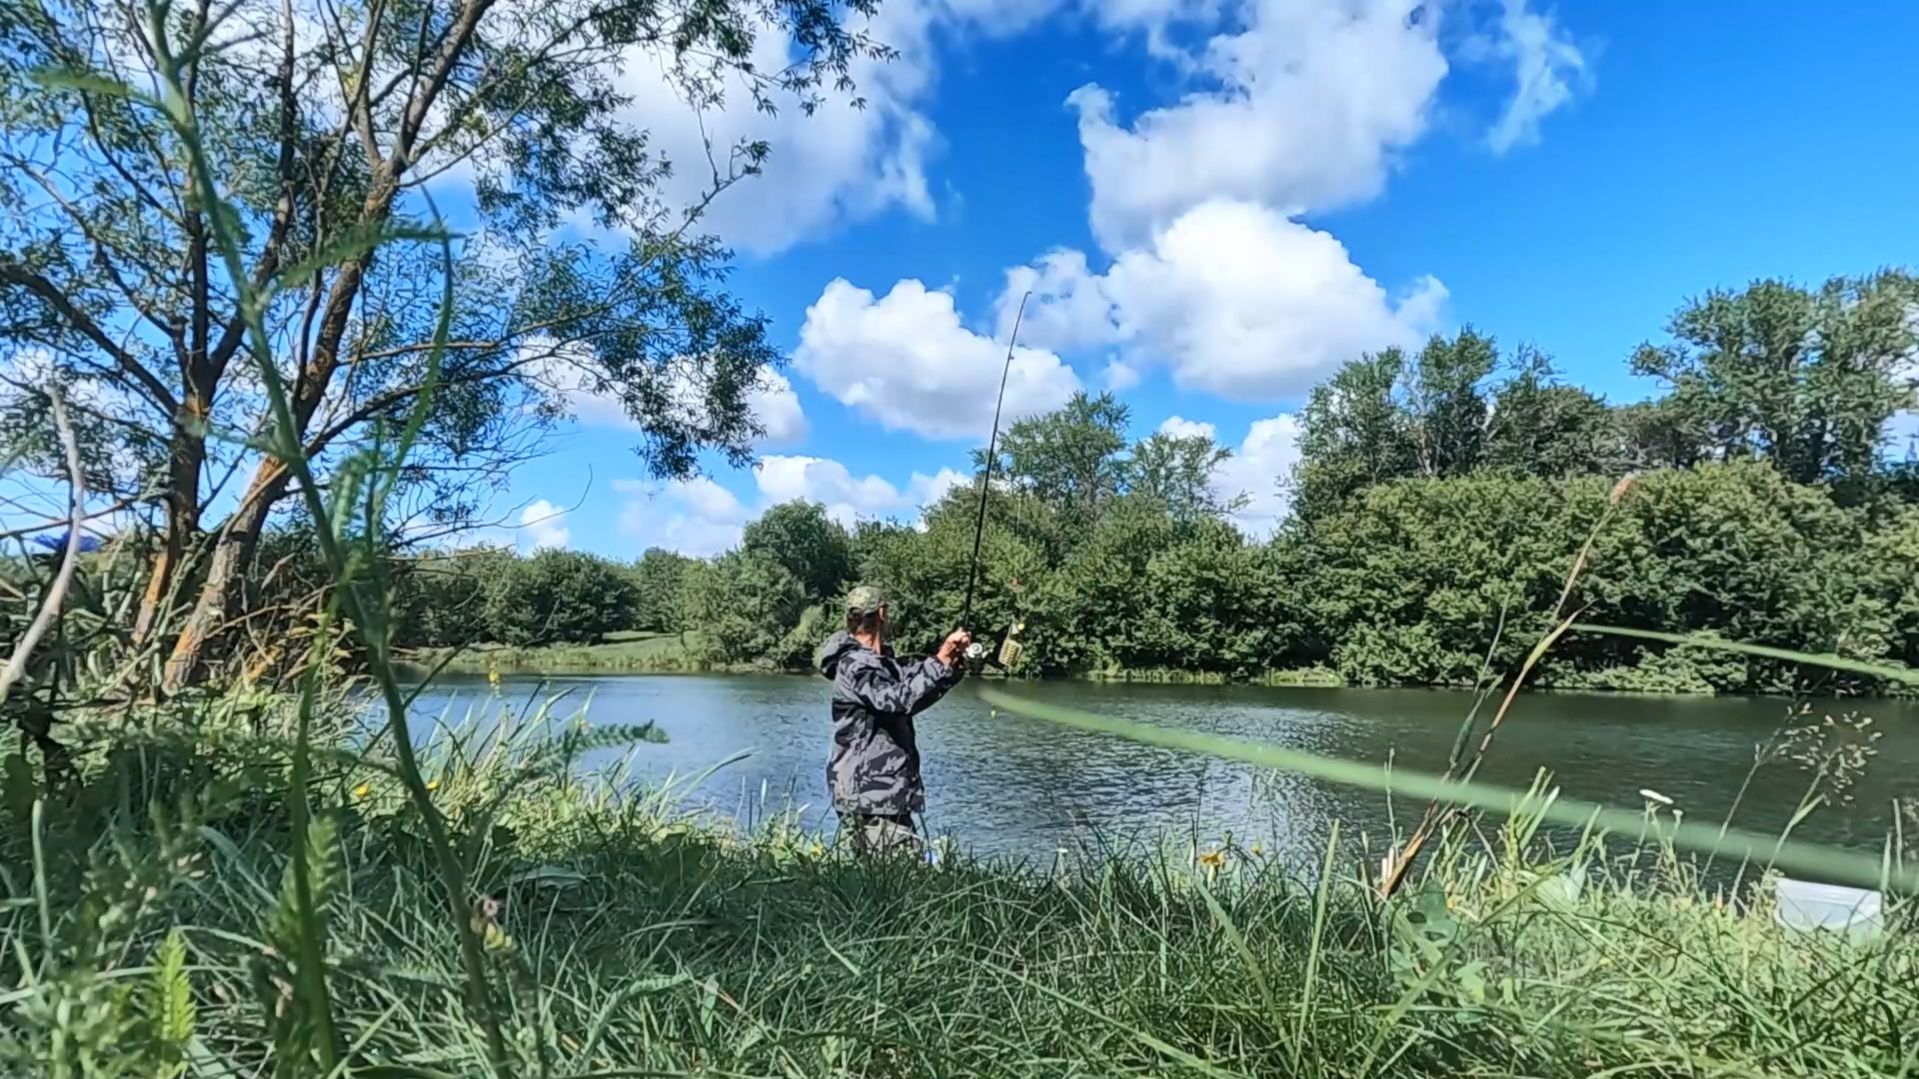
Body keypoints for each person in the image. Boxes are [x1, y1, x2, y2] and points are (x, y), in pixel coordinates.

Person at [817, 585, 971, 856]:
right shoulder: (856, 665)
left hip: (877, 794)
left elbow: (910, 698)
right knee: (906, 877)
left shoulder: (880, 664)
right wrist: (942, 658)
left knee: (879, 882)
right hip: (871, 796)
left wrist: (949, 667)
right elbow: (897, 701)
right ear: (883, 614)